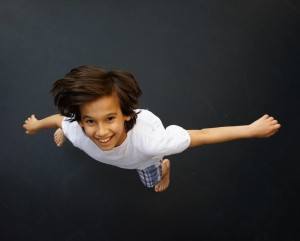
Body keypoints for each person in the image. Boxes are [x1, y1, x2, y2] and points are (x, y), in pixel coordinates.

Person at [22, 65, 281, 192]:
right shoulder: (75, 128)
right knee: (67, 129)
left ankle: (164, 169)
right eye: (90, 121)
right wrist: (37, 125)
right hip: (78, 131)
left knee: (151, 182)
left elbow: (201, 135)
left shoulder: (152, 144)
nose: (101, 132)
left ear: (124, 114)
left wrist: (250, 129)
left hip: (143, 160)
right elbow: (59, 119)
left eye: (110, 119)